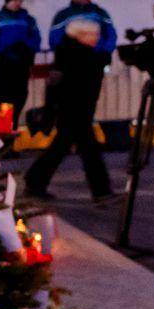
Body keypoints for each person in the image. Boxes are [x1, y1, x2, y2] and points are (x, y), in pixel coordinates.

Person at [23, 16, 113, 202]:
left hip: (73, 109)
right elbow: (72, 83)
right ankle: (101, 191)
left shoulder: (70, 52)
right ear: (81, 35)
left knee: (62, 148)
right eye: (92, 34)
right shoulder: (78, 55)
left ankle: (35, 181)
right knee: (88, 151)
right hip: (75, 109)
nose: (96, 38)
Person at [0, 0, 41, 123]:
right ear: (8, 0)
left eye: (20, 0)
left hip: (21, 65)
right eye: (15, 0)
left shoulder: (28, 20)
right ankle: (0, 129)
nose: (18, 3)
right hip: (1, 66)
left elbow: (36, 40)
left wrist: (25, 46)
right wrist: (9, 44)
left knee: (19, 97)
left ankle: (11, 126)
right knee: (1, 99)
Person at [48, 0, 117, 57]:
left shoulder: (99, 13)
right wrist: (62, 56)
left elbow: (111, 33)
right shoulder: (63, 15)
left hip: (96, 58)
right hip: (72, 59)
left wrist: (106, 52)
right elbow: (55, 38)